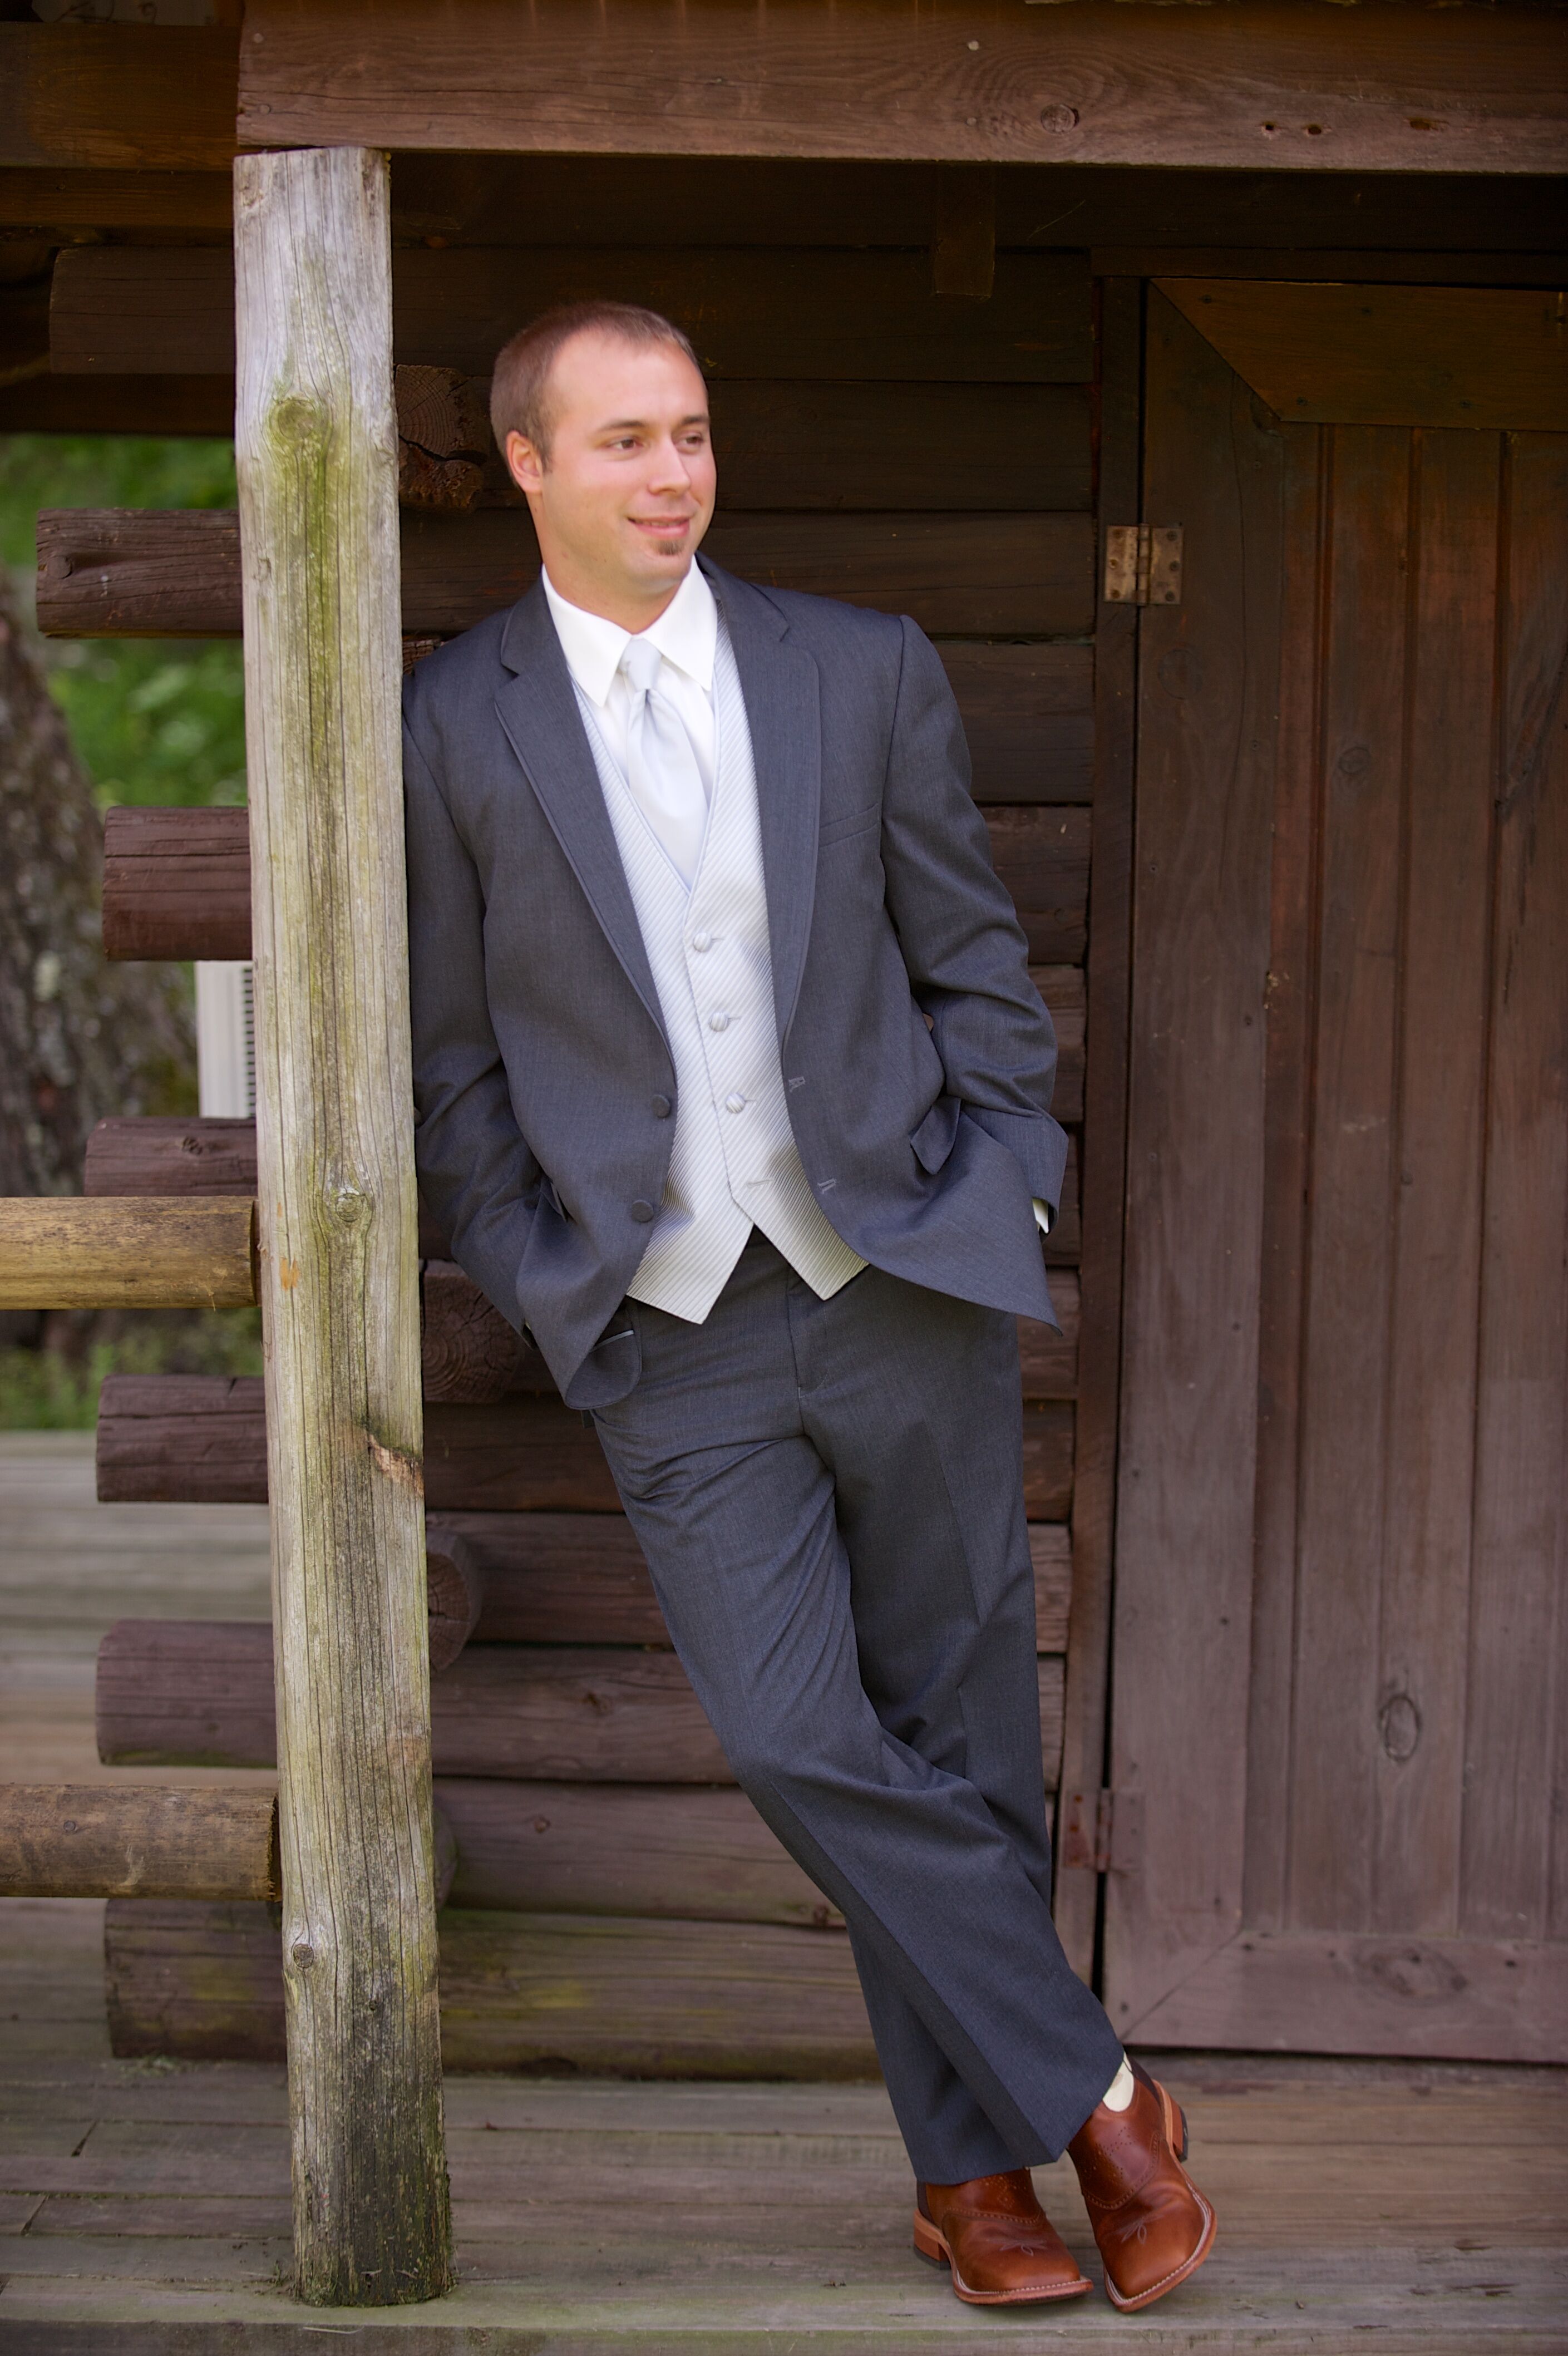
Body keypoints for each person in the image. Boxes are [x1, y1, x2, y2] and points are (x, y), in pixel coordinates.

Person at [401, 299, 1216, 2313]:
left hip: (896, 1275)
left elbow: (972, 959)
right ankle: (1099, 2088)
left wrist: (1000, 1174)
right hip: (662, 1320)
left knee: (957, 1735)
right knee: (789, 1729)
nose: (672, 474)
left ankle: (975, 2181)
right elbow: (448, 1064)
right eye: (623, 444)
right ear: (528, 464)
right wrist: (534, 1255)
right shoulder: (455, 718)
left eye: (688, 434)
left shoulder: (859, 671)